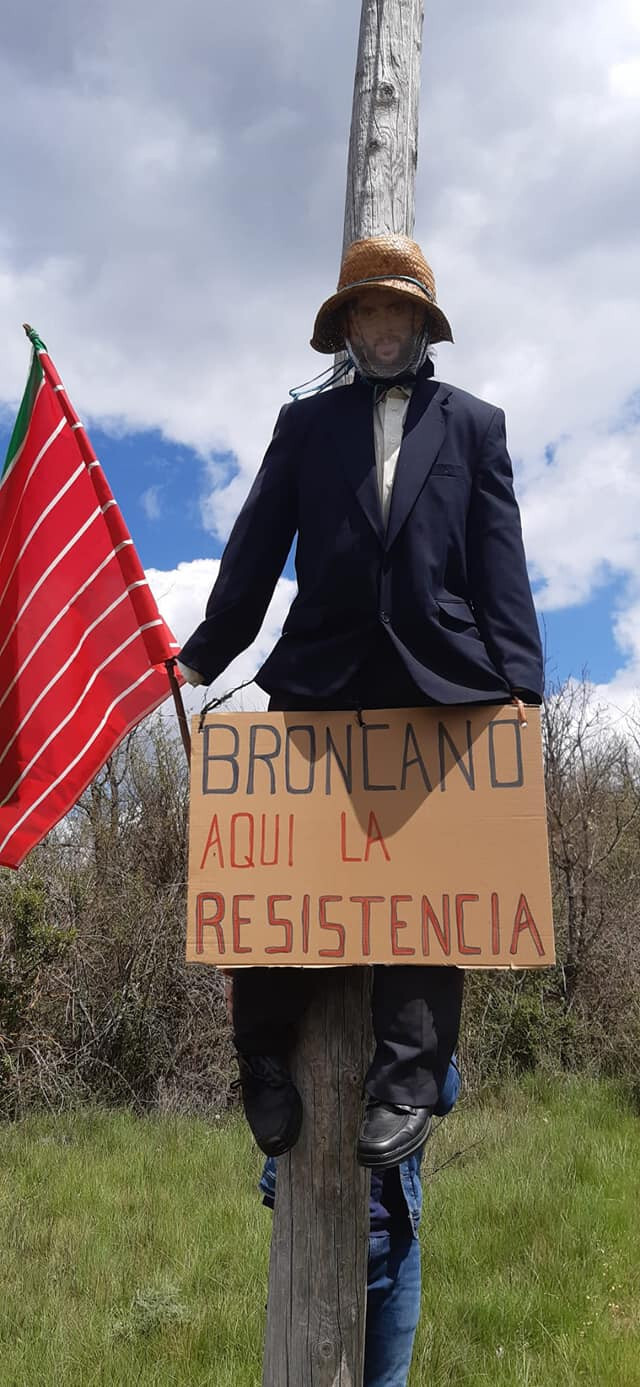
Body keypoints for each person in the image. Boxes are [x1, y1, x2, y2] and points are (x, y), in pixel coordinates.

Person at [179, 234, 543, 1170]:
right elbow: (255, 548)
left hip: (443, 682)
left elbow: (499, 564)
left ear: (424, 324)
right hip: (321, 676)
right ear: (346, 325)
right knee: (279, 875)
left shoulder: (476, 425)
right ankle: (262, 1057)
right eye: (368, 309)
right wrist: (202, 656)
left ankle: (407, 1079)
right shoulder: (304, 426)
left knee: (431, 889)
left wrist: (525, 689)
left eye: (399, 310)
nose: (383, 325)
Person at [259, 1056, 461, 1387]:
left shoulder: (413, 1024)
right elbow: (267, 1075)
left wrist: (426, 1027)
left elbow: (446, 1095)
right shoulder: (307, 1018)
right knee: (304, 1377)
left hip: (394, 1241)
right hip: (312, 1237)